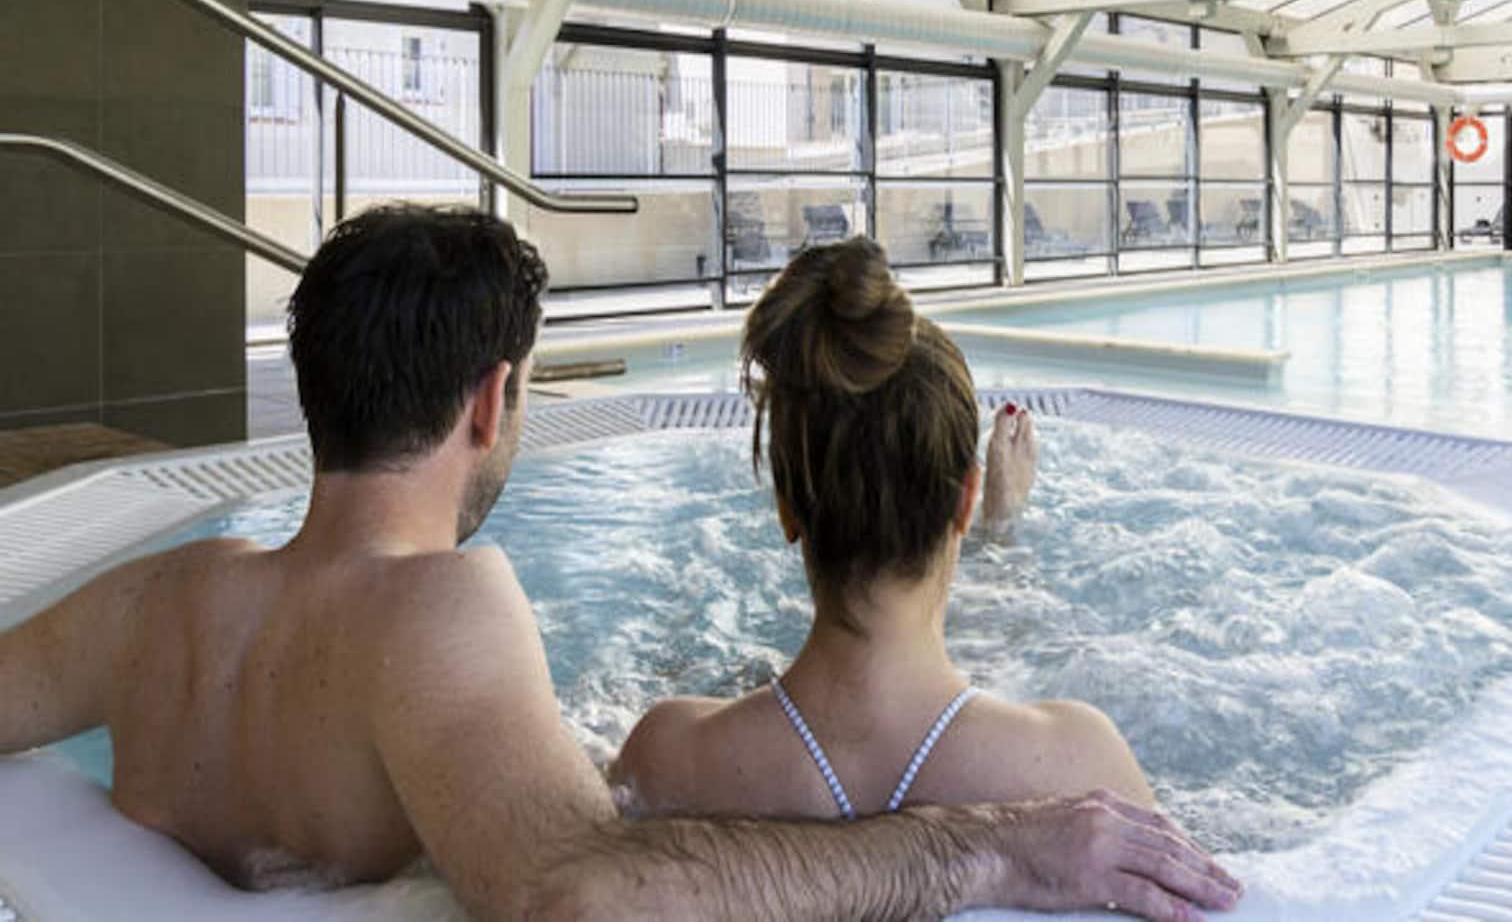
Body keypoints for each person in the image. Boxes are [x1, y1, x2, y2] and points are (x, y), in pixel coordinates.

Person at [0, 206, 1240, 922]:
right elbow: (585, 902)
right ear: (492, 401)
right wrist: (985, 846)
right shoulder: (438, 606)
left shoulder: (153, 601)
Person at [612, 238, 1153, 828]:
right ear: (965, 499)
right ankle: (1001, 534)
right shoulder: (1080, 765)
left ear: (786, 508)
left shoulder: (666, 757)